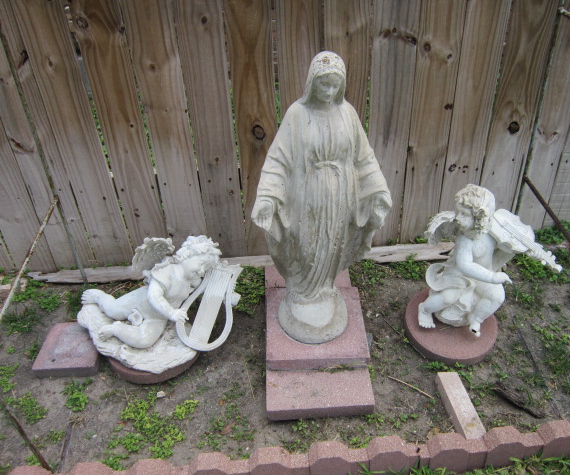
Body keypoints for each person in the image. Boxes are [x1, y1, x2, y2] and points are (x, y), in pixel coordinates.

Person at [252, 51, 391, 340]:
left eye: (334, 85)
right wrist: (267, 197)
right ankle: (301, 293)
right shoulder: (297, 114)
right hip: (306, 197)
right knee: (305, 244)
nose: (328, 91)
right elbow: (278, 160)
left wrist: (377, 190)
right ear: (312, 83)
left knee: (332, 244)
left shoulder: (348, 114)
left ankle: (325, 288)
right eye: (323, 84)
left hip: (340, 198)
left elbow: (364, 158)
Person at [81, 235, 221, 348]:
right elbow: (154, 296)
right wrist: (171, 313)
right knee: (112, 310)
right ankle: (99, 296)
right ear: (188, 254)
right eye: (201, 264)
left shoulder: (193, 281)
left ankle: (116, 329)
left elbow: (209, 290)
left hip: (158, 317)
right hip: (139, 302)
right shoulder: (167, 270)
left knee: (144, 341)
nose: (201, 271)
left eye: (205, 269)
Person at [418, 185, 511, 337]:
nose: (458, 218)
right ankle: (424, 309)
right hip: (459, 276)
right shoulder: (465, 239)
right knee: (448, 297)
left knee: (497, 296)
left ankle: (476, 318)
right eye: (458, 212)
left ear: (480, 218)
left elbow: (503, 251)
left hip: (481, 274)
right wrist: (492, 277)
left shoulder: (493, 233)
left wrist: (513, 250)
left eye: (464, 214)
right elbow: (465, 265)